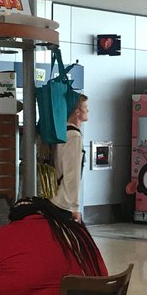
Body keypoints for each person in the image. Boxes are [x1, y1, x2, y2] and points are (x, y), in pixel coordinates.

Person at [53, 94, 88, 222]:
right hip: (63, 203)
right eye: (85, 107)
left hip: (54, 197)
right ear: (77, 111)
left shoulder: (62, 132)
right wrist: (74, 207)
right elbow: (72, 174)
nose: (88, 110)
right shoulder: (74, 136)